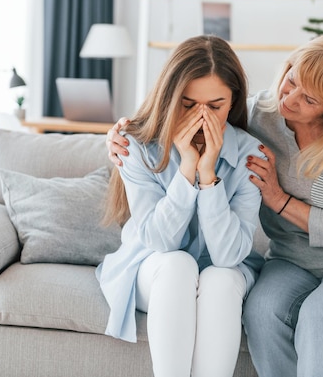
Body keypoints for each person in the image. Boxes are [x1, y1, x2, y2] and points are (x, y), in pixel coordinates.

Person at [106, 34, 323, 377]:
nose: (290, 99)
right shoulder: (258, 115)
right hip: (292, 258)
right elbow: (185, 109)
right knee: (261, 311)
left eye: (309, 98)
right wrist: (117, 133)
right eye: (291, 80)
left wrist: (279, 200)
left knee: (318, 313)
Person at [96, 34, 265, 377]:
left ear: (232, 103)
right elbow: (160, 242)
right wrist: (187, 168)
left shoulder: (250, 154)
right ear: (170, 98)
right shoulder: (135, 145)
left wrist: (208, 176)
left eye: (215, 106)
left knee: (219, 278)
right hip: (153, 269)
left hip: (225, 271)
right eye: (188, 105)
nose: (201, 119)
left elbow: (228, 256)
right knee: (178, 266)